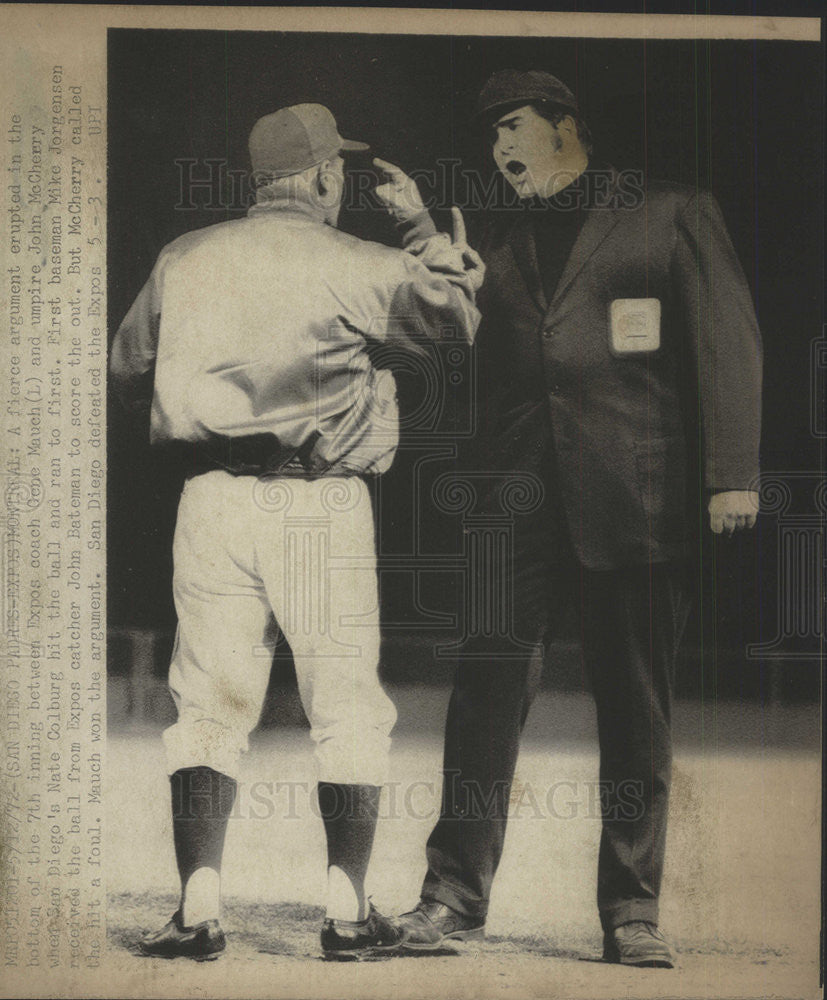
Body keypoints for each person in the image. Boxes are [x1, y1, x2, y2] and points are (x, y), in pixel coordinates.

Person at [396, 70, 761, 967]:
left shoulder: (668, 209)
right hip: (514, 503)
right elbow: (480, 363)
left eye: (513, 128)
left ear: (565, 127)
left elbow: (728, 338)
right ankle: (450, 895)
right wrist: (437, 272)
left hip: (633, 501)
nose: (499, 151)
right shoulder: (496, 232)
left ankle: (631, 910)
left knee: (636, 711)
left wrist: (730, 474)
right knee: (483, 695)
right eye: (489, 138)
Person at [110, 102, 483, 961]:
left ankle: (198, 911)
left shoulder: (183, 256)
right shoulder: (352, 259)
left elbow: (128, 372)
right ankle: (347, 915)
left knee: (206, 705)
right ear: (321, 178)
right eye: (336, 172)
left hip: (207, 500)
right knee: (346, 707)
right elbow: (455, 325)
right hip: (317, 502)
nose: (340, 182)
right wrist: (425, 231)